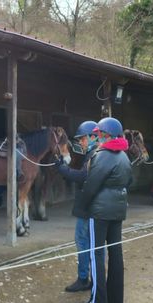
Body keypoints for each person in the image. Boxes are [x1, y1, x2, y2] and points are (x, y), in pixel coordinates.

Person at [75, 117, 132, 303]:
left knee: (96, 254)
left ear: (106, 135)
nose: (97, 139)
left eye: (99, 135)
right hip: (118, 209)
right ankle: (115, 298)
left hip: (99, 211)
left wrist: (82, 208)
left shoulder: (103, 155)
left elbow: (91, 185)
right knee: (115, 253)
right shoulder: (124, 156)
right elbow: (129, 181)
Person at [53, 120, 98, 292]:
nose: (80, 142)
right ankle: (89, 277)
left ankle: (83, 278)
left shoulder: (93, 155)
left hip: (87, 207)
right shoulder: (92, 154)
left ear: (93, 137)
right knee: (87, 242)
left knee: (82, 240)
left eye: (82, 139)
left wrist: (63, 169)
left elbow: (83, 177)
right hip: (88, 205)